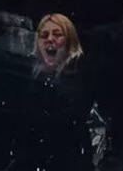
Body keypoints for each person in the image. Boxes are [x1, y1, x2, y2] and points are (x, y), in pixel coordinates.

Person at [14, 13, 94, 171]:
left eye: (57, 35)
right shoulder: (29, 80)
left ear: (69, 41)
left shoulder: (81, 79)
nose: (50, 39)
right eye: (43, 35)